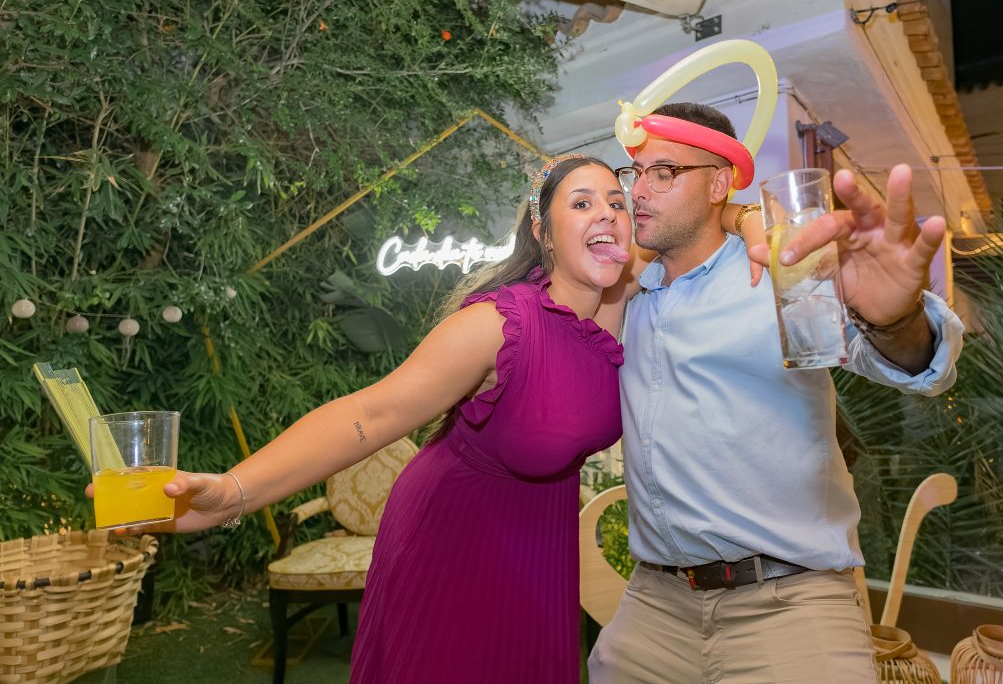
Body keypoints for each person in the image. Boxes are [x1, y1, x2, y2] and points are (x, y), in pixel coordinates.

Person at [116, 153, 756, 683]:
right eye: (582, 203)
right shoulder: (498, 325)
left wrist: (750, 215)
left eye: (616, 202)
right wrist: (231, 494)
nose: (608, 214)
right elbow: (370, 413)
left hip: (540, 546)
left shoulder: (625, 294)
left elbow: (702, 221)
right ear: (542, 230)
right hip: (452, 537)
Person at [588, 102, 965, 684]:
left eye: (664, 173)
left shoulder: (778, 264)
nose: (640, 191)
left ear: (719, 184)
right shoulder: (622, 294)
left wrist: (894, 319)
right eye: (635, 173)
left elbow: (916, 367)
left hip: (790, 606)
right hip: (653, 609)